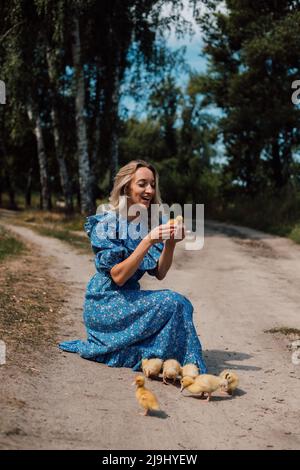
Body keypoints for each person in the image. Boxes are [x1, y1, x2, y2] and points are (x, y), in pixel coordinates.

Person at [59, 160, 207, 373]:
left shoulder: (148, 223)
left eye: (152, 184)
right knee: (174, 302)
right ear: (126, 187)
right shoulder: (108, 223)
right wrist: (148, 240)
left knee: (179, 304)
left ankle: (174, 363)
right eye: (142, 184)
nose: (149, 190)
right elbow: (118, 277)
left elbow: (160, 272)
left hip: (129, 300)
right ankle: (188, 365)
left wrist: (171, 243)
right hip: (105, 302)